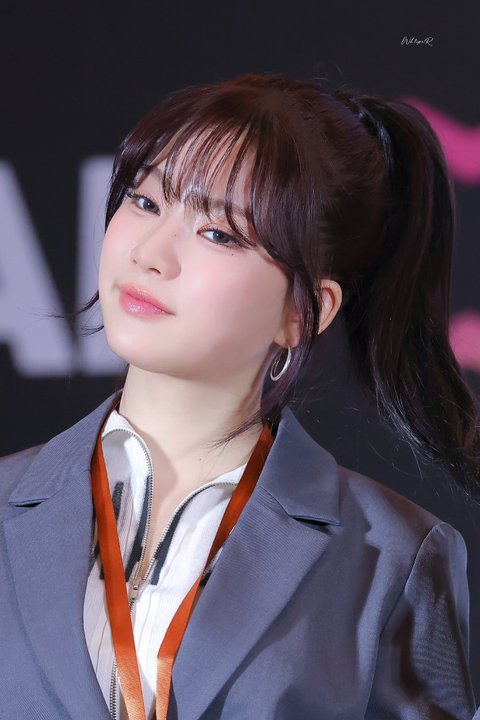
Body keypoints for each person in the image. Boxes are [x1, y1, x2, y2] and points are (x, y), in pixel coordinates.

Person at [0, 71, 479, 720]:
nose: (152, 255)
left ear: (303, 311)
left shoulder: (392, 556)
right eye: (146, 201)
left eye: (219, 234)